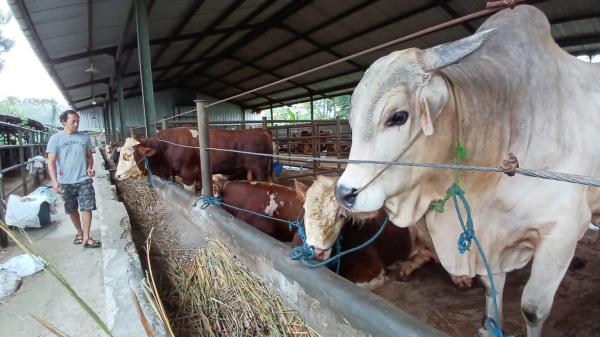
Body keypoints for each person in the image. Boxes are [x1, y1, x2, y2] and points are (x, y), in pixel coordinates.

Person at [47, 110, 101, 248]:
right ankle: (80, 232)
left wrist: (90, 167)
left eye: (78, 121)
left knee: (87, 207)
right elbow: (51, 162)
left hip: (84, 179)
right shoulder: (55, 139)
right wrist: (54, 180)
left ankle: (87, 237)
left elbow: (89, 157)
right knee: (71, 209)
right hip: (65, 181)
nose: (76, 124)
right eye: (73, 121)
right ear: (64, 122)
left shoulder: (84, 138)